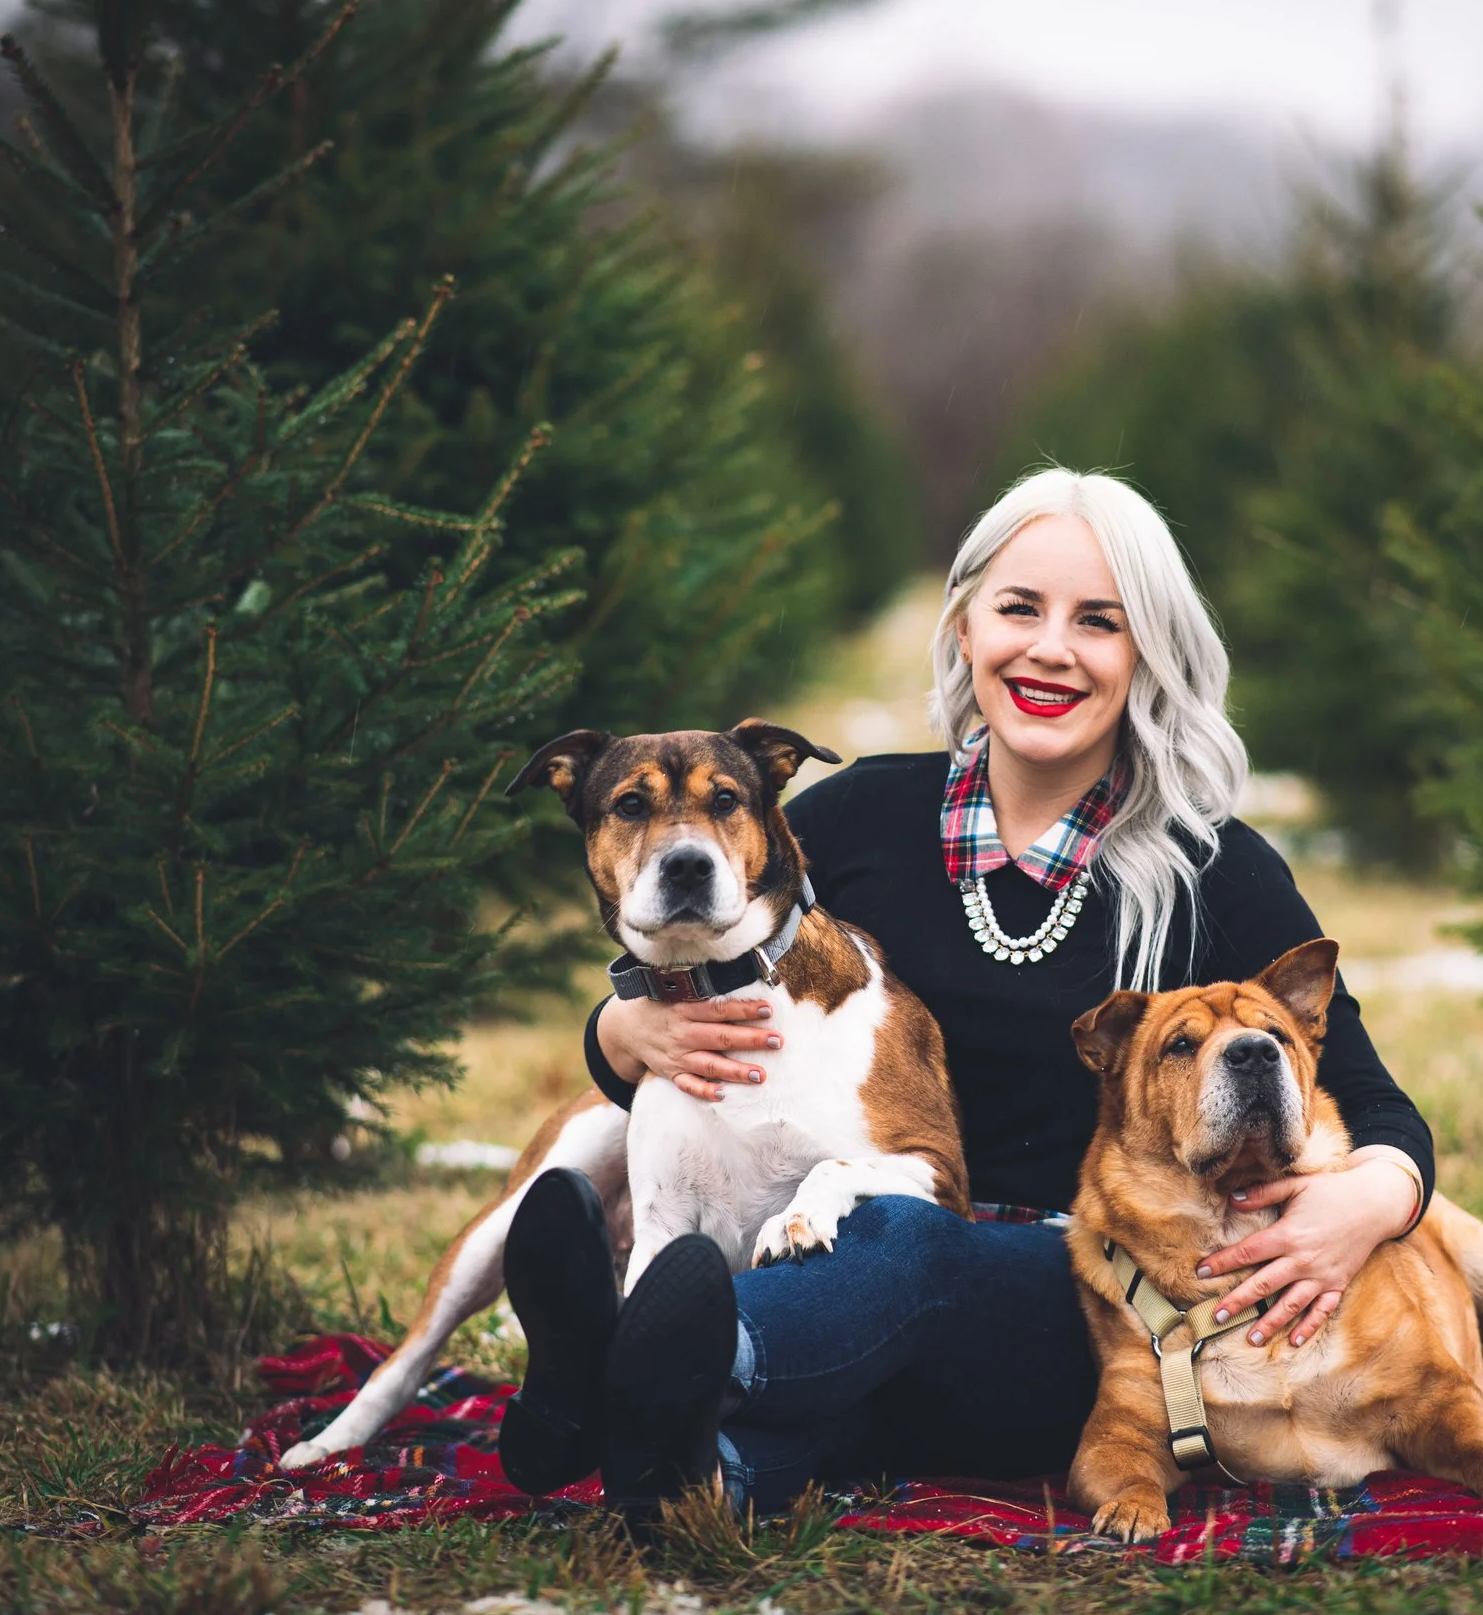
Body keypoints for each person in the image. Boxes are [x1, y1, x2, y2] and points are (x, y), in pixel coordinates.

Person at [497, 468, 1436, 1526]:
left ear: (1149, 652)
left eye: (1099, 621)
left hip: (1083, 1304)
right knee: (782, 1420)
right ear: (964, 624)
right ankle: (676, 1459)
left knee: (906, 1239)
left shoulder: (1212, 867)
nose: (1050, 647)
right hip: (838, 1299)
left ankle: (620, 1368)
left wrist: (1371, 1198)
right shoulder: (853, 819)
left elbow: (1370, 1094)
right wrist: (619, 1027)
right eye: (1019, 607)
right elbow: (695, 957)